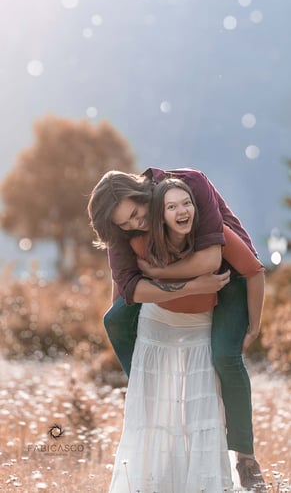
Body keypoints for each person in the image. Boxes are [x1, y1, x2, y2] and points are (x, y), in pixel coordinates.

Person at [88, 167, 266, 490]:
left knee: (225, 356)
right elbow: (126, 282)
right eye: (124, 224)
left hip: (229, 275)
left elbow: (212, 260)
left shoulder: (187, 188)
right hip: (177, 280)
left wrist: (156, 272)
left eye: (134, 215)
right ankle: (146, 389)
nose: (133, 224)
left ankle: (245, 457)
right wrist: (169, 287)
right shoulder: (121, 225)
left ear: (141, 192)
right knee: (114, 319)